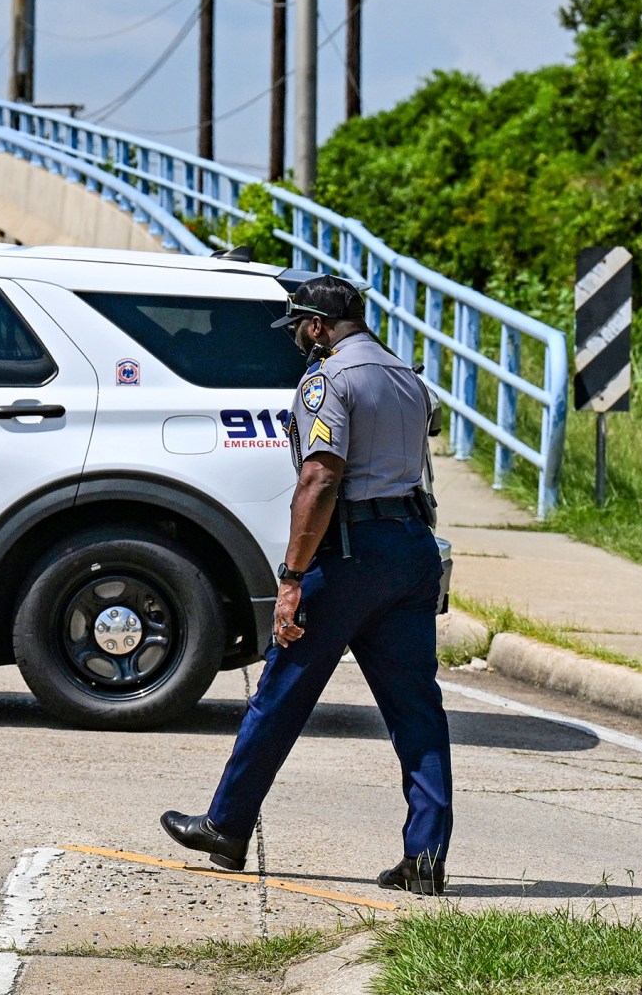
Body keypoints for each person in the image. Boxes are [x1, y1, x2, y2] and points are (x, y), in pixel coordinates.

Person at [161, 274, 453, 896]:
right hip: (410, 547)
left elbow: (320, 480)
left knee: (281, 692)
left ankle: (227, 826)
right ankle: (426, 855)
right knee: (416, 707)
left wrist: (292, 578)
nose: (297, 336)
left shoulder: (327, 381)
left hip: (348, 554)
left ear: (318, 325)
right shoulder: (407, 377)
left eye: (299, 325)